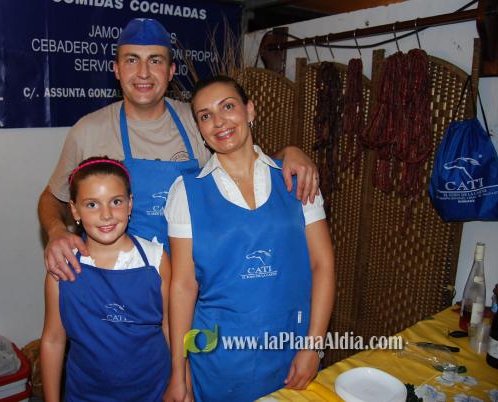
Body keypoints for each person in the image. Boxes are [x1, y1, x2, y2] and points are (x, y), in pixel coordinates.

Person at [38, 18, 320, 281]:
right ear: (116, 69)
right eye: (132, 60)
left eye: (155, 60)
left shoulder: (198, 119)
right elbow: (52, 198)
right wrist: (56, 230)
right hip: (117, 281)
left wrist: (287, 154)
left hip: (194, 279)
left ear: (171, 71)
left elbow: (246, 163)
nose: (144, 72)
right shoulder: (88, 131)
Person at [164, 76, 335, 402]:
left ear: (250, 110)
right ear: (199, 128)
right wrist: (178, 370)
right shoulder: (186, 192)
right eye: (205, 115)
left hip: (291, 348)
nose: (219, 122)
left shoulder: (296, 178)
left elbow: (322, 264)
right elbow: (183, 286)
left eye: (228, 106)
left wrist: (314, 346)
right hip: (218, 361)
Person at [40, 157, 171, 401]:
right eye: (92, 204)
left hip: (154, 391)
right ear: (74, 210)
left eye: (116, 202)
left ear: (130, 204)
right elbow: (54, 340)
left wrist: (181, 379)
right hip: (86, 394)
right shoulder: (62, 268)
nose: (106, 215)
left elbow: (169, 327)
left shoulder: (156, 259)